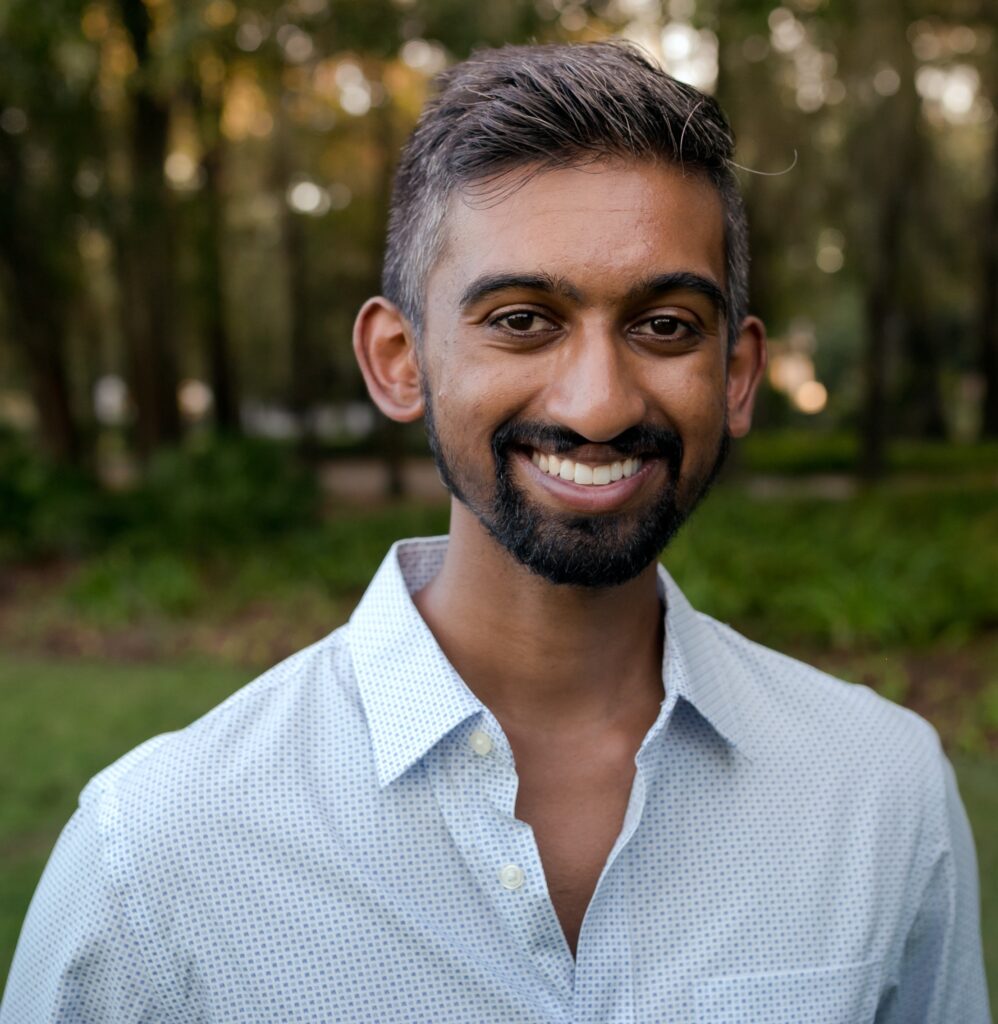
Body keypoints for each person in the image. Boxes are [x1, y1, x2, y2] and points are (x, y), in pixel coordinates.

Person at [1, 41, 989, 1023]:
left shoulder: (881, 796)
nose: (598, 405)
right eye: (522, 320)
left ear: (735, 375)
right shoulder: (157, 856)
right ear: (399, 360)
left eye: (665, 326)